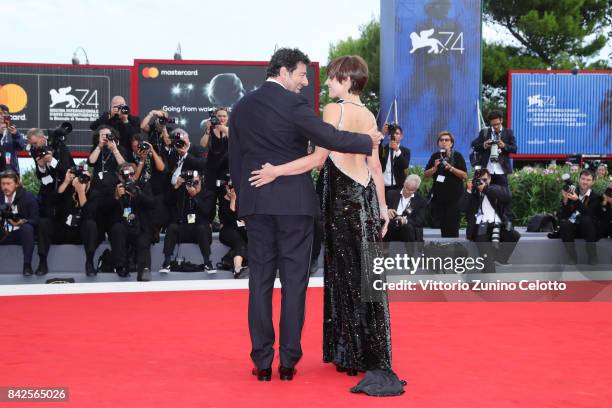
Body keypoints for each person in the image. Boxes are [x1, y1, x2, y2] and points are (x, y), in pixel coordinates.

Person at [247, 54, 404, 396]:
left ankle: (346, 351)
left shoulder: (336, 110)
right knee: (362, 275)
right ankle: (363, 351)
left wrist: (275, 170)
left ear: (347, 81)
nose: (327, 83)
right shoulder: (368, 116)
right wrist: (382, 208)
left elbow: (319, 159)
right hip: (362, 199)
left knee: (342, 275)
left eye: (333, 78)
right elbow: (375, 168)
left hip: (339, 200)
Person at [36, 167, 99, 276]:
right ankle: (42, 262)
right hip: (62, 230)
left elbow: (89, 215)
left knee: (91, 225)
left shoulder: (94, 194)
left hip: (80, 234)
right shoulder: (67, 189)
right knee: (44, 223)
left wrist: (81, 193)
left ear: (90, 180)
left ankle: (89, 263)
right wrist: (66, 182)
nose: (81, 180)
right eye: (80, 177)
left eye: (85, 177)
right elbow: (51, 201)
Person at [100, 163, 155, 281]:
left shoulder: (142, 186)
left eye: (132, 174)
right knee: (117, 230)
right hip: (121, 225)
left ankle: (144, 271)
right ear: (119, 176)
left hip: (138, 225)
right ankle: (121, 266)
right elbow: (102, 209)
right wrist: (116, 197)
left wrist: (138, 194)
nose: (129, 177)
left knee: (143, 240)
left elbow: (151, 204)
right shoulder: (112, 187)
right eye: (126, 174)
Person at [459, 168, 521, 272]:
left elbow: (507, 196)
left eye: (485, 179)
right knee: (487, 261)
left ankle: (500, 259)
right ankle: (487, 276)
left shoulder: (493, 189)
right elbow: (461, 207)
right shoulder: (472, 192)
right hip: (480, 228)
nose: (482, 182)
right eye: (479, 180)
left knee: (514, 235)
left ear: (490, 178)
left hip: (497, 225)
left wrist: (485, 188)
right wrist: (469, 190)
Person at [424, 131, 468, 237]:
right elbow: (426, 174)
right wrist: (434, 168)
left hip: (454, 198)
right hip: (439, 198)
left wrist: (451, 168)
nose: (444, 142)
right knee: (443, 226)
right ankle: (444, 249)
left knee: (452, 226)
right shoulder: (435, 156)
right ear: (438, 143)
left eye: (447, 140)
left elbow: (464, 175)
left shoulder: (457, 156)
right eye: (441, 140)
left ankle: (454, 250)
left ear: (451, 143)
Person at [26, 128, 75, 218]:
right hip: (49, 186)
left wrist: (52, 160)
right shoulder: (34, 150)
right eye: (32, 144)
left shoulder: (59, 145)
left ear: (42, 138)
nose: (34, 146)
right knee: (43, 208)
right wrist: (41, 166)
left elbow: (67, 170)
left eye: (35, 143)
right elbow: (40, 176)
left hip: (66, 184)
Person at [557, 169, 601, 265]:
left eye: (588, 180)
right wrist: (565, 200)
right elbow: (564, 215)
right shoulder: (571, 191)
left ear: (593, 182)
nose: (585, 182)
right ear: (579, 179)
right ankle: (572, 257)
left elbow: (589, 213)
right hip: (573, 228)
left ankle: (592, 256)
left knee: (586, 220)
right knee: (565, 224)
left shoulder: (596, 197)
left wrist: (577, 200)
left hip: (589, 230)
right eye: (583, 179)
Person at [0, 169, 39, 275]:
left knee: (27, 228)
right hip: (2, 233)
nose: (5, 187)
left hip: (20, 233)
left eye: (8, 183)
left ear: (16, 184)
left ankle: (27, 266)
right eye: (3, 184)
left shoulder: (28, 197)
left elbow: (36, 220)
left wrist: (22, 222)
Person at [470, 111, 517, 187]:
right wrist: (484, 145)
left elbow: (514, 149)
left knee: (502, 196)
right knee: (487, 196)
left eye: (497, 124)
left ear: (501, 120)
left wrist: (504, 145)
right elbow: (474, 146)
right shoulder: (484, 132)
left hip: (502, 170)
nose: (495, 127)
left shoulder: (508, 132)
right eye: (493, 124)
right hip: (487, 171)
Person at [201, 107, 230, 223]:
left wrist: (224, 129)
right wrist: (208, 130)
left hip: (226, 171)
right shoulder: (210, 129)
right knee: (210, 199)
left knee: (225, 199)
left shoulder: (230, 130)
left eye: (224, 116)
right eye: (219, 116)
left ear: (227, 118)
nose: (222, 118)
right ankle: (208, 224)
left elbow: (238, 141)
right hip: (211, 171)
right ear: (215, 117)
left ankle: (225, 225)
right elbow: (202, 144)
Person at [218, 181, 248, 278]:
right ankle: (237, 269)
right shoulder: (222, 201)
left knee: (248, 242)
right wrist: (233, 200)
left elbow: (242, 220)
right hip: (227, 231)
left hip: (240, 231)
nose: (232, 190)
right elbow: (230, 221)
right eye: (230, 187)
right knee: (239, 242)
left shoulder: (243, 201)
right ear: (226, 187)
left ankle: (227, 260)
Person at [385, 174, 427, 243]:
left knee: (407, 227)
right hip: (391, 225)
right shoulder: (391, 194)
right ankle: (383, 250)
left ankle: (410, 253)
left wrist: (406, 221)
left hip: (407, 228)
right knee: (386, 224)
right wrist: (387, 210)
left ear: (416, 190)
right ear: (404, 183)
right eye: (406, 188)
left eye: (411, 190)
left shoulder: (420, 200)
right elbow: (380, 210)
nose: (407, 192)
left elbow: (420, 221)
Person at [379, 125, 410, 193]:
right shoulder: (384, 148)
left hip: (397, 185)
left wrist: (397, 150)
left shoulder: (405, 151)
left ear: (401, 136)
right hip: (383, 184)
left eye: (397, 133)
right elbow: (375, 149)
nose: (394, 135)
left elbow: (405, 165)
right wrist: (382, 134)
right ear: (389, 136)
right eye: (392, 133)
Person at [0, 105, 27, 174]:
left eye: (4, 114)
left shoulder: (12, 131)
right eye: (0, 113)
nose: (2, 116)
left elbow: (21, 147)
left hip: (11, 172)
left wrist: (15, 135)